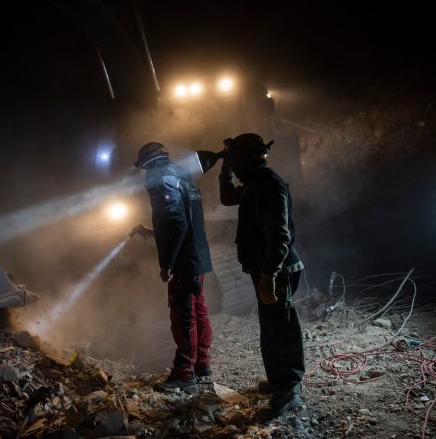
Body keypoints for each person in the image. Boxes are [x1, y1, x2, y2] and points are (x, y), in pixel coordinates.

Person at [218, 133, 305, 418]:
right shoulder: (256, 182)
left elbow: (280, 237)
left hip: (277, 268)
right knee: (270, 326)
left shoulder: (269, 186)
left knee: (282, 326)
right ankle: (280, 381)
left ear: (246, 159)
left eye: (235, 160)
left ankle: (290, 388)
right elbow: (228, 197)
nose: (234, 165)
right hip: (265, 267)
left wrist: (269, 275)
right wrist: (224, 171)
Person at [130, 142, 213, 392]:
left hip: (183, 262)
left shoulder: (162, 180)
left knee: (183, 314)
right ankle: (201, 364)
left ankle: (184, 372)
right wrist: (152, 232)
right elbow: (181, 220)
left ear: (148, 165)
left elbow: (177, 223)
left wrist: (167, 263)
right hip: (196, 256)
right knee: (198, 309)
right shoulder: (182, 175)